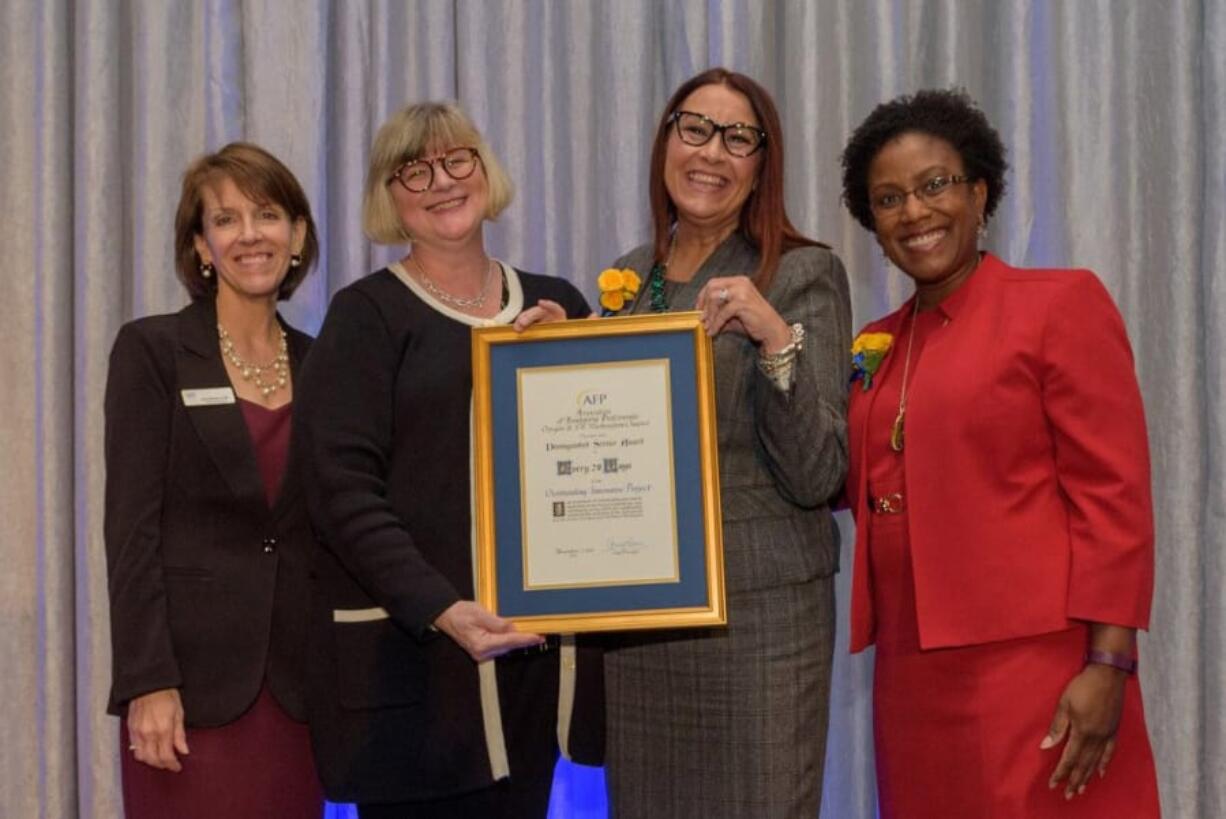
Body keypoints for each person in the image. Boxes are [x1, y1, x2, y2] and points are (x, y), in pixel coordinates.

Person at [838, 88, 1161, 817]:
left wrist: (1110, 662)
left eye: (934, 185)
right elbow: (835, 477)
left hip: (1035, 663)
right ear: (872, 223)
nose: (914, 212)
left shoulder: (1058, 305)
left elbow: (1114, 495)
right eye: (888, 198)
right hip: (909, 672)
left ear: (980, 192)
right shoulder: (874, 344)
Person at [295, 102, 600, 819]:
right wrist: (437, 606)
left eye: (456, 159)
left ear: (485, 170)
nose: (441, 182)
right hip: (418, 674)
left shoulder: (558, 302)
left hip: (536, 669)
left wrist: (576, 354)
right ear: (388, 198)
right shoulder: (364, 315)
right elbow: (340, 490)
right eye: (414, 170)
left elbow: (597, 454)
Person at [600, 67, 852, 817]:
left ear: (762, 165)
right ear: (665, 142)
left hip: (762, 619)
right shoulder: (624, 277)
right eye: (695, 128)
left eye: (739, 138)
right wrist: (551, 360)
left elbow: (819, 473)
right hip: (643, 623)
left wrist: (776, 338)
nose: (712, 152)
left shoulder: (803, 272)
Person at [103, 142, 323, 818]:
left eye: (267, 214)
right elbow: (131, 531)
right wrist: (148, 680)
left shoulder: (324, 366)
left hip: (298, 696)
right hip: (187, 698)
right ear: (201, 245)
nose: (250, 234)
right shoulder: (154, 351)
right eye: (225, 220)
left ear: (297, 237)